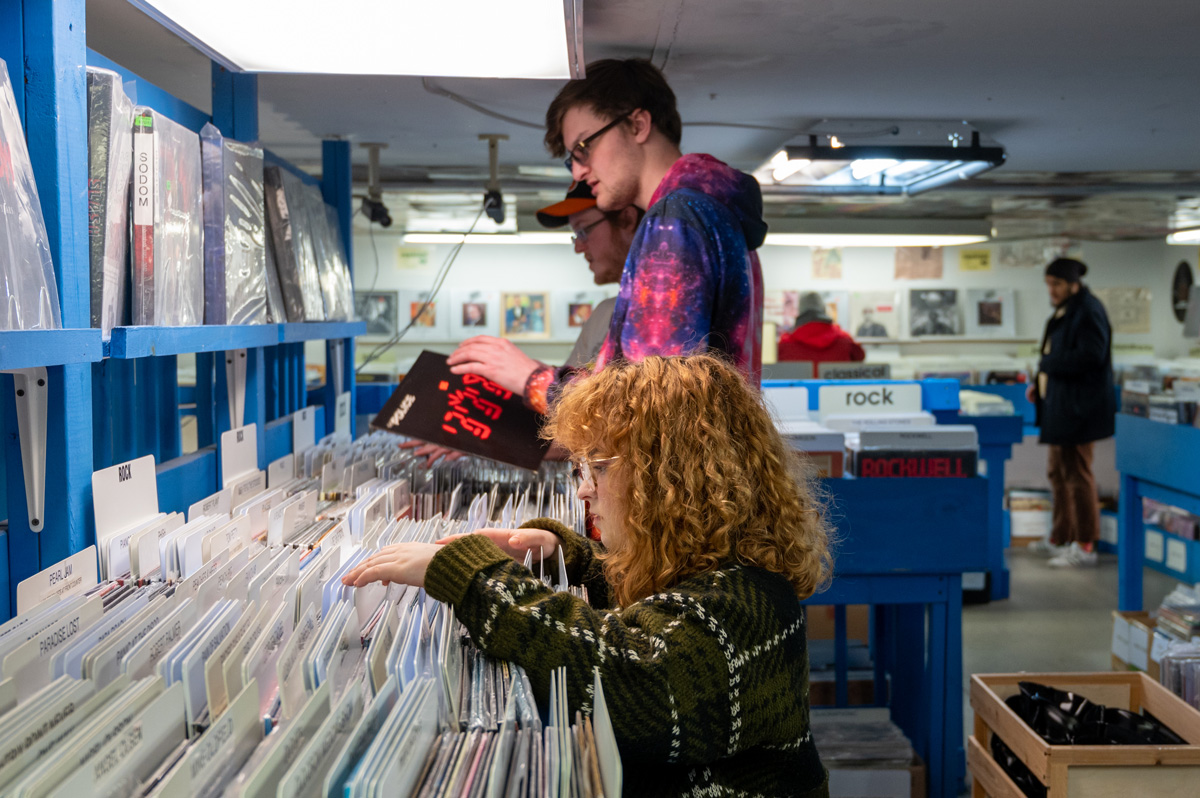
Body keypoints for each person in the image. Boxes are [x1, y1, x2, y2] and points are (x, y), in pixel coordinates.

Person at [344, 354, 832, 797]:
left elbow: (633, 682)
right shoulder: (718, 573)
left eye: (597, 467)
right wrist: (564, 555)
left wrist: (474, 578)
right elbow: (660, 612)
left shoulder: (746, 607)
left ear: (671, 479)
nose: (583, 491)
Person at [449, 58, 766, 414]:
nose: (579, 172)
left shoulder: (673, 219)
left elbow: (647, 408)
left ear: (638, 125)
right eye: (572, 159)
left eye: (584, 147)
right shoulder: (710, 210)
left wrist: (531, 378)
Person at [1027, 258, 1115, 567]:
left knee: (1078, 475)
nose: (1051, 290)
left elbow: (1091, 356)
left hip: (1080, 410)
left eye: (1057, 284)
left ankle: (1085, 543)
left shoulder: (1088, 311)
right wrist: (1038, 384)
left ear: (1073, 284)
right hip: (1060, 408)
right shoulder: (1065, 312)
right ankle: (1060, 536)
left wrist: (1048, 366)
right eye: (1049, 284)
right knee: (1058, 472)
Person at [535, 180, 642, 368]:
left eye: (583, 231)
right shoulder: (603, 314)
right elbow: (567, 395)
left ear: (627, 219)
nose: (578, 247)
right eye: (576, 235)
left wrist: (533, 379)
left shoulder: (669, 314)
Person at [778, 291, 866, 365]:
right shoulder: (844, 340)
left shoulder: (785, 343)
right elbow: (860, 358)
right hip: (836, 386)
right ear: (823, 309)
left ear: (800, 312)